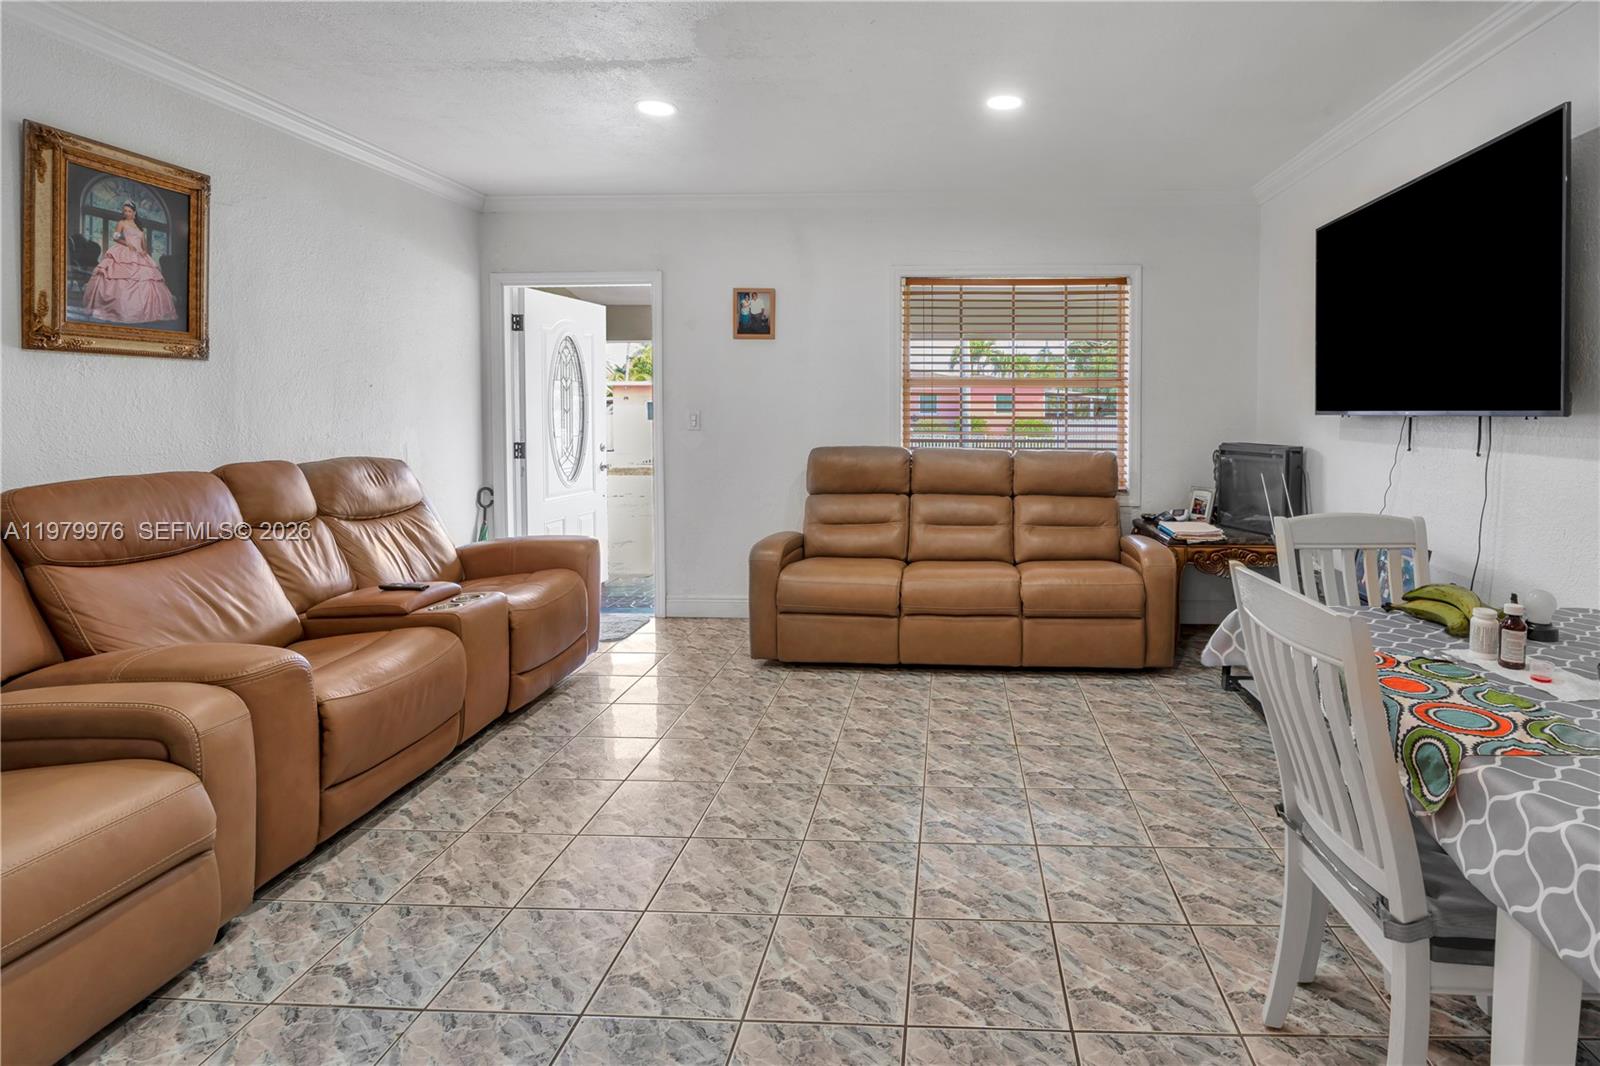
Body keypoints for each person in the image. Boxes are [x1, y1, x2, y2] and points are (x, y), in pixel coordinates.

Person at [81, 201, 179, 324]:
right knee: (119, 278)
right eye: (125, 211)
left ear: (134, 212)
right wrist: (127, 243)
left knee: (148, 279)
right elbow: (115, 237)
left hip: (139, 254)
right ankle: (119, 309)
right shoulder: (122, 223)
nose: (127, 213)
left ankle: (145, 311)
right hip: (125, 251)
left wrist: (144, 252)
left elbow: (144, 245)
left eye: (129, 211)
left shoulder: (139, 228)